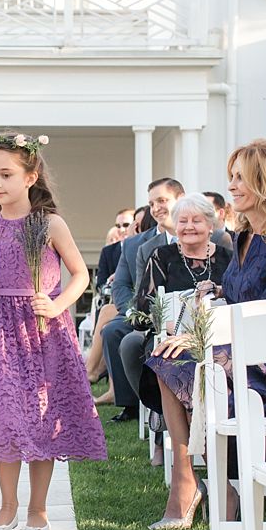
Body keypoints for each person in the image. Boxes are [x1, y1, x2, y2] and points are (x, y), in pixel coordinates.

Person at [145, 141, 266, 529]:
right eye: (232, 177)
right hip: (234, 348)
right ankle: (196, 481)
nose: (232, 186)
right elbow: (242, 294)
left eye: (241, 178)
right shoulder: (243, 237)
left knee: (183, 361)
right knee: (165, 357)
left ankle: (194, 484)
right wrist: (217, 291)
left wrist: (201, 342)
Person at [0, 130, 105, 530]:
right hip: (3, 332)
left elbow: (81, 274)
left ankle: (38, 509)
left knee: (43, 418)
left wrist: (58, 303)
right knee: (7, 416)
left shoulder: (51, 224)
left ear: (30, 176)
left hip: (43, 331)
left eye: (6, 174)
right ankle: (6, 506)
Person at [133, 193, 234, 445]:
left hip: (218, 338)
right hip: (171, 337)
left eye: (197, 221)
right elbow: (143, 310)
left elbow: (237, 301)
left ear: (211, 226)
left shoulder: (227, 258)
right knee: (167, 355)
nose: (189, 226)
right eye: (183, 221)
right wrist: (171, 326)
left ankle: (217, 440)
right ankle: (180, 443)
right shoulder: (162, 256)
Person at [102, 178, 183, 422]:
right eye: (151, 203)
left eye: (162, 201)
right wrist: (135, 314)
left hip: (183, 316)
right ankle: (132, 404)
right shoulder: (135, 244)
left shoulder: (197, 234)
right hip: (142, 313)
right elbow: (122, 285)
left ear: (180, 199)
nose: (156, 208)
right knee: (113, 330)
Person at [85, 207, 135, 387]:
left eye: (126, 224)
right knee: (106, 316)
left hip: (131, 303)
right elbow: (100, 279)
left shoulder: (139, 246)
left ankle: (92, 370)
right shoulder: (110, 251)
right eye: (118, 225)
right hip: (113, 298)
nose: (122, 229)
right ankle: (95, 370)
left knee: (108, 316)